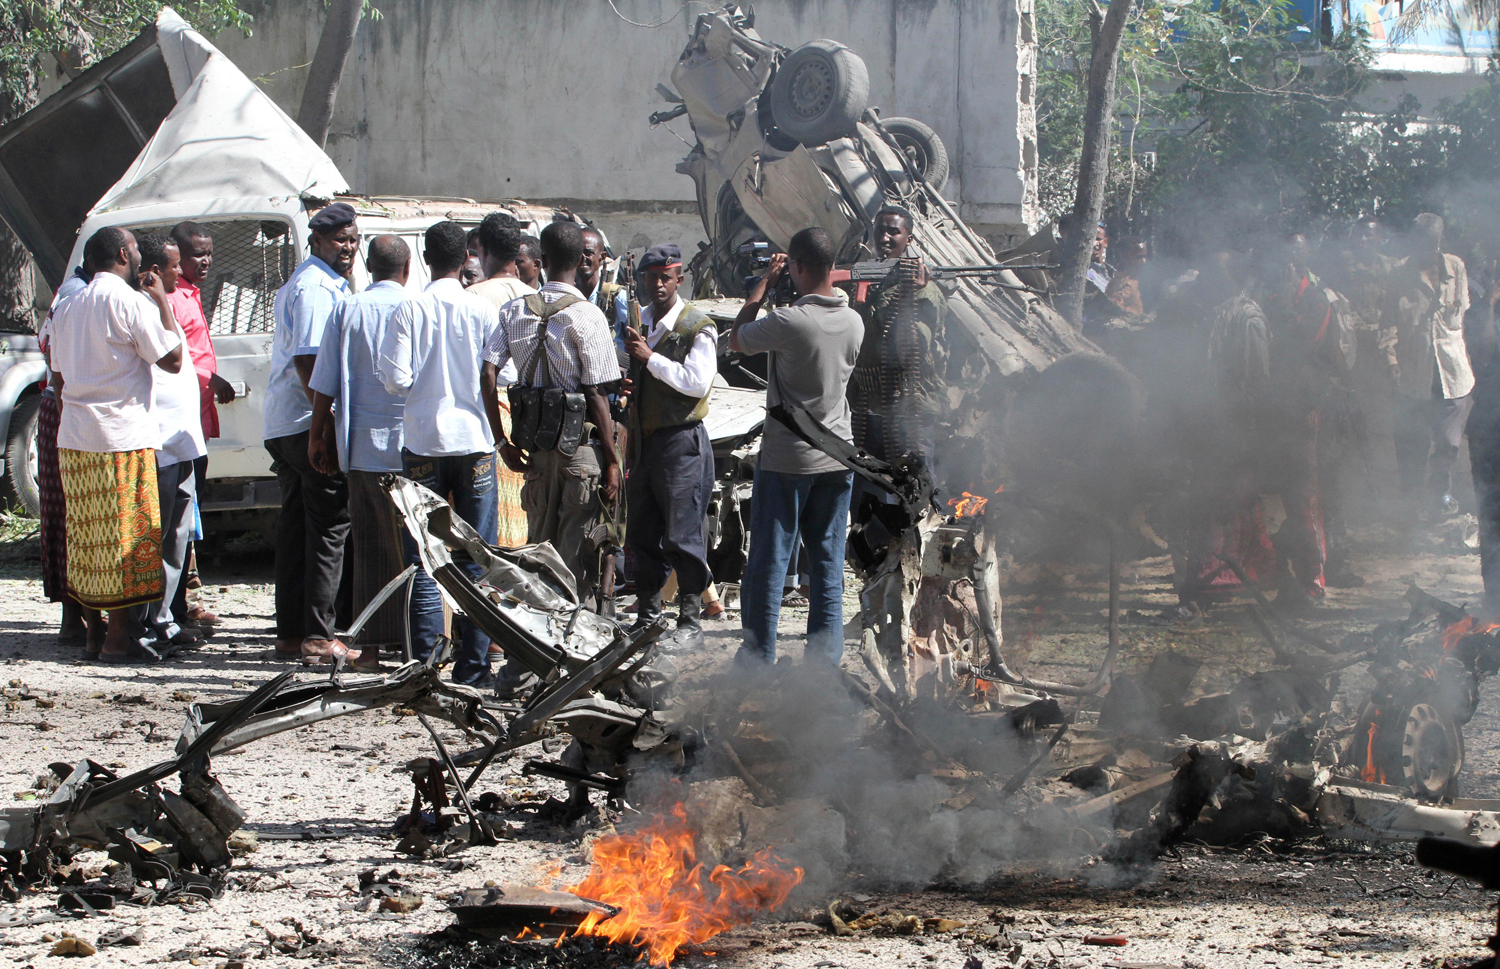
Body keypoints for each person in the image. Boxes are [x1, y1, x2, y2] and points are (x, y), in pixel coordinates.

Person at [480, 220, 622, 694]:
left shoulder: (514, 309)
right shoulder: (586, 315)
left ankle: (524, 666)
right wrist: (614, 461)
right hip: (579, 450)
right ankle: (571, 664)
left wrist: (501, 438)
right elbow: (597, 394)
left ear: (540, 258)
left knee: (537, 553)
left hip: (534, 448)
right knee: (574, 557)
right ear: (581, 260)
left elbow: (488, 370)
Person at [48, 227, 185, 663]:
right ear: (125, 255)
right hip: (121, 438)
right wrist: (162, 298)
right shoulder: (129, 301)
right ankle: (119, 638)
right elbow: (173, 359)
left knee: (90, 539)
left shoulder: (68, 305)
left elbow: (57, 374)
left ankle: (93, 636)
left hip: (75, 439)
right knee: (128, 539)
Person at [728, 227, 863, 666]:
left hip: (788, 459)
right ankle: (823, 665)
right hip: (837, 456)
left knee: (770, 561)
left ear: (799, 267)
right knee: (827, 562)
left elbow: (737, 336)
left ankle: (757, 661)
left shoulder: (790, 321)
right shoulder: (854, 321)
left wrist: (763, 285)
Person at [380, 222, 502, 687]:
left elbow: (395, 380)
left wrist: (427, 389)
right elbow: (501, 377)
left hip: (424, 442)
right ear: (467, 256)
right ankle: (474, 669)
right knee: (475, 557)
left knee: (425, 556)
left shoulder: (409, 308)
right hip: (473, 441)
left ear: (423, 257)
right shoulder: (482, 311)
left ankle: (427, 665)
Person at [309, 235, 412, 671]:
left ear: (369, 268)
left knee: (368, 550)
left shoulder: (347, 308)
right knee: (413, 551)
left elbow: (324, 382)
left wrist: (319, 435)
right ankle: (414, 645)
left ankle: (368, 651)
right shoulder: (418, 308)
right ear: (407, 270)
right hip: (409, 449)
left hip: (362, 449)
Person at [263, 201, 359, 664]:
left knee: (299, 529)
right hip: (304, 423)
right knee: (328, 527)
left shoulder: (316, 283)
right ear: (318, 240)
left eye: (354, 239)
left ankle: (292, 634)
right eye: (341, 240)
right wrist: (325, 428)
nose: (349, 247)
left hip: (291, 421)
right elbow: (309, 360)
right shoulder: (316, 287)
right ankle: (320, 636)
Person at [619, 243, 716, 651]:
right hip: (644, 442)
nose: (658, 284)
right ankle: (648, 614)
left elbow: (696, 382)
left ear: (679, 279)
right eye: (651, 277)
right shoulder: (640, 323)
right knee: (641, 531)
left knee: (683, 532)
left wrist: (648, 359)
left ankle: (690, 619)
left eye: (666, 277)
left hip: (681, 441)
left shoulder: (697, 326)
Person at [134, 234, 208, 653]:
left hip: (181, 443)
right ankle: (147, 622)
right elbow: (171, 358)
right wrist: (161, 300)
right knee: (156, 536)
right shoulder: (146, 307)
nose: (181, 272)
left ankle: (164, 618)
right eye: (174, 266)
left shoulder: (166, 305)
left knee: (176, 537)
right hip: (159, 442)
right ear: (155, 271)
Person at [1259, 233, 1336, 610]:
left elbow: (1299, 346)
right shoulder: (1267, 298)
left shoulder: (1316, 300)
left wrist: (1287, 306)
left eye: (1294, 255)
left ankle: (1312, 579)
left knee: (1302, 494)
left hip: (1301, 411)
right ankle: (1275, 574)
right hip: (1267, 410)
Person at [1384, 213, 1473, 519]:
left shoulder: (1456, 268)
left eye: (1430, 241)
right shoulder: (1399, 272)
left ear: (1438, 240)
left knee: (1448, 443)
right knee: (1412, 443)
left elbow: (1463, 321)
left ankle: (1441, 496)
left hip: (1452, 374)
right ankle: (1409, 506)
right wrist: (1392, 362)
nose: (1424, 246)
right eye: (1418, 239)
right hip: (1413, 374)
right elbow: (1389, 325)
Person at [168, 221, 235, 627]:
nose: (205, 260)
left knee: (190, 516)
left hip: (197, 420)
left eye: (209, 252)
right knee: (179, 519)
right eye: (196, 253)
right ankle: (176, 608)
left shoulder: (191, 295)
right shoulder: (170, 300)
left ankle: (186, 600)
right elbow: (177, 361)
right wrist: (212, 380)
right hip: (179, 427)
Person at [846, 205, 946, 468]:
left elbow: (910, 350)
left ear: (908, 239)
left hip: (908, 406)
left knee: (912, 485)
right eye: (880, 230)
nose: (884, 238)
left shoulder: (924, 292)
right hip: (866, 406)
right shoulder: (865, 282)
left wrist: (910, 294)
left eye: (894, 232)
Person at [37, 259, 96, 649]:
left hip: (67, 409)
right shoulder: (77, 295)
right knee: (76, 514)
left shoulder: (77, 292)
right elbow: (56, 363)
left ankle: (78, 618)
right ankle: (75, 617)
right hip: (66, 411)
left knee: (72, 513)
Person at [468, 213, 536, 548]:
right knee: (524, 512)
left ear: (482, 249)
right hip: (532, 413)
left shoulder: (472, 297)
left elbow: (483, 370)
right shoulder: (536, 297)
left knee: (489, 515)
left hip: (488, 412)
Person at [1464, 253, 1500, 617]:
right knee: (1492, 516)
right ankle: (1495, 601)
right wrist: (1490, 303)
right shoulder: (1480, 312)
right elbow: (1485, 351)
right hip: (1491, 427)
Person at [1106, 238, 1149, 317]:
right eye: (1138, 257)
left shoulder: (1146, 280)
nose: (1143, 261)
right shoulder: (1120, 283)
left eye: (1145, 256)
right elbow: (1114, 305)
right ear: (1126, 257)